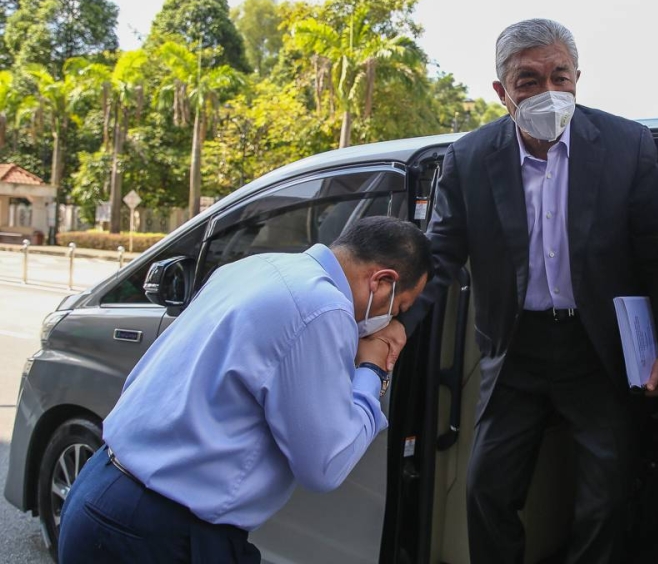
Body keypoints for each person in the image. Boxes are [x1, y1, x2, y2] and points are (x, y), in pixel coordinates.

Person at [386, 18, 658, 563]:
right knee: (486, 489)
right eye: (529, 81)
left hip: (600, 349)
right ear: (501, 92)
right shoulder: (470, 158)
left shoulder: (626, 145)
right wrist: (393, 329)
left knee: (607, 497)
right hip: (516, 348)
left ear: (578, 78)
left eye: (561, 76)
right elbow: (441, 256)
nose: (549, 92)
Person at [57, 216, 432, 563]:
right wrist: (371, 367)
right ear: (382, 281)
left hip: (101, 489)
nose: (392, 320)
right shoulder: (323, 308)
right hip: (160, 533)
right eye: (399, 307)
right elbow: (325, 466)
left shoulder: (257, 267)